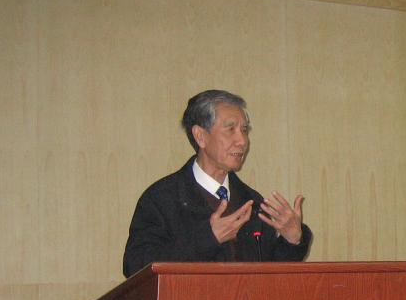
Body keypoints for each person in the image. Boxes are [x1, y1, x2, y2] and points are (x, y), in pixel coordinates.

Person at [123, 89, 312, 277]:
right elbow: (136, 266)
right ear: (200, 136)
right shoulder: (161, 199)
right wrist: (208, 238)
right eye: (230, 129)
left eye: (244, 130)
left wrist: (292, 240)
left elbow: (269, 276)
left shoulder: (252, 202)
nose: (242, 141)